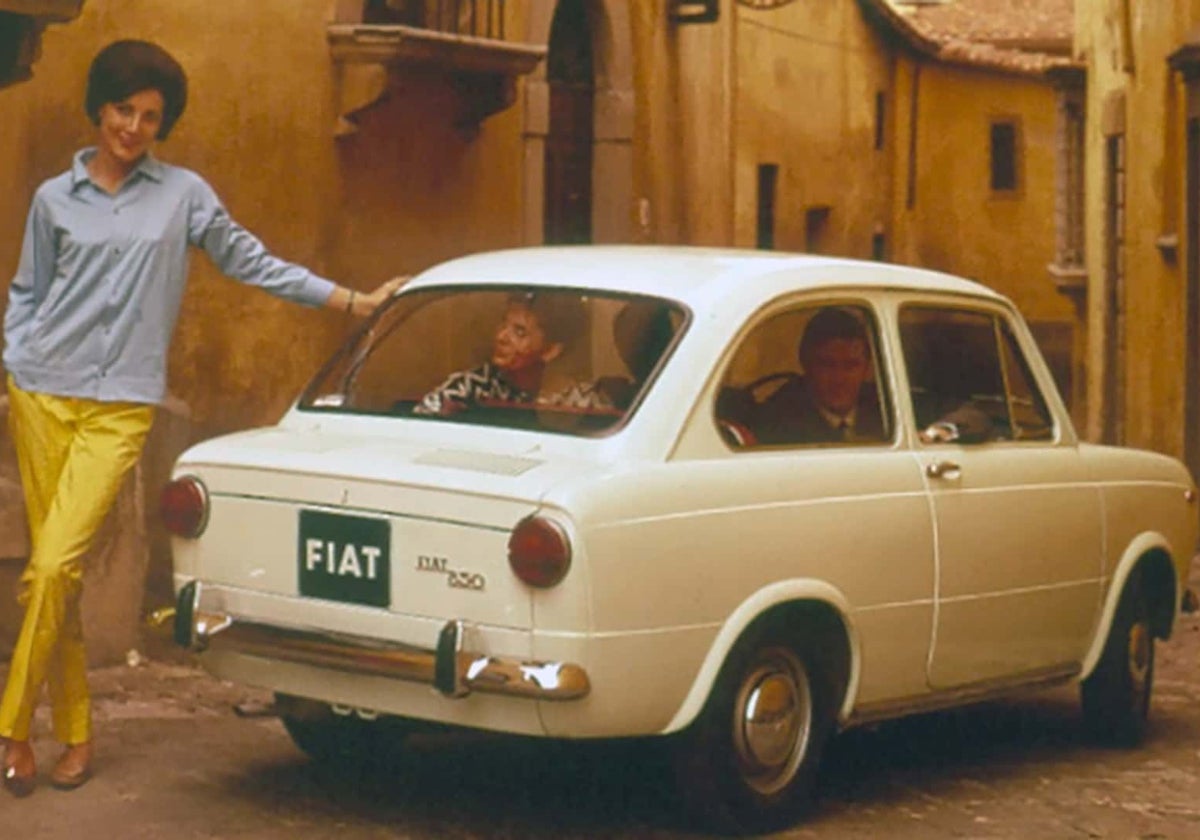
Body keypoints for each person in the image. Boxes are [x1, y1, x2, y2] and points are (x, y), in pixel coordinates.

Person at [0, 39, 405, 797]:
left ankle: (13, 725)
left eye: (151, 116)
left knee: (54, 566)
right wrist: (15, 358)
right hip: (42, 394)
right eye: (123, 109)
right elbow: (28, 290)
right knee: (54, 580)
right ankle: (78, 733)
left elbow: (251, 260)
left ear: (163, 124)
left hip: (120, 404)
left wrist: (351, 301)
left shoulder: (183, 195)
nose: (133, 127)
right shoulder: (56, 199)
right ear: (100, 108)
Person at [414, 292, 587, 416]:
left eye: (519, 332)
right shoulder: (468, 387)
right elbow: (417, 425)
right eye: (503, 324)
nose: (501, 337)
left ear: (551, 351)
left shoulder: (575, 398)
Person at [755, 306, 886, 445]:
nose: (839, 379)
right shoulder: (777, 422)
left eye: (851, 366)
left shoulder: (885, 408)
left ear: (867, 367)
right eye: (827, 365)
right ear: (805, 363)